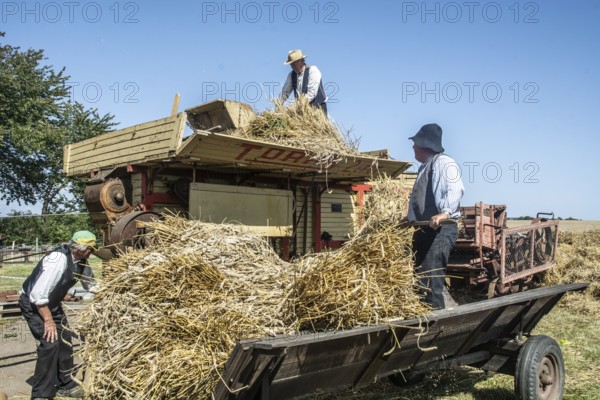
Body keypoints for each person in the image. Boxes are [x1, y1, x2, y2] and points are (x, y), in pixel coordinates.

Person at [19, 230, 98, 399]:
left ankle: (66, 384)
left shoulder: (81, 261)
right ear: (79, 247)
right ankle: (41, 393)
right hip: (34, 305)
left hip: (51, 304)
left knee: (65, 341)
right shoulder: (58, 260)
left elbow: (91, 285)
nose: (92, 252)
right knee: (50, 344)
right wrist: (48, 321)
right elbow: (37, 295)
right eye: (90, 248)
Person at [407, 123, 464, 309]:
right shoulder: (424, 167)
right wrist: (408, 218)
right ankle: (423, 316)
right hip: (425, 228)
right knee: (419, 276)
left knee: (431, 279)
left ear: (423, 145)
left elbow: (455, 190)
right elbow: (419, 198)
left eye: (415, 143)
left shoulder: (444, 163)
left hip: (440, 229)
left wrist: (444, 212)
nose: (412, 147)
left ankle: (435, 322)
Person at [280, 49, 328, 114]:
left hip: (318, 108)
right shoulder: (291, 75)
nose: (292, 67)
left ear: (301, 61)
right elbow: (285, 92)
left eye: (294, 64)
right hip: (302, 110)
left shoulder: (312, 70)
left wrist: (295, 106)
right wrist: (279, 105)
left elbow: (312, 93)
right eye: (291, 64)